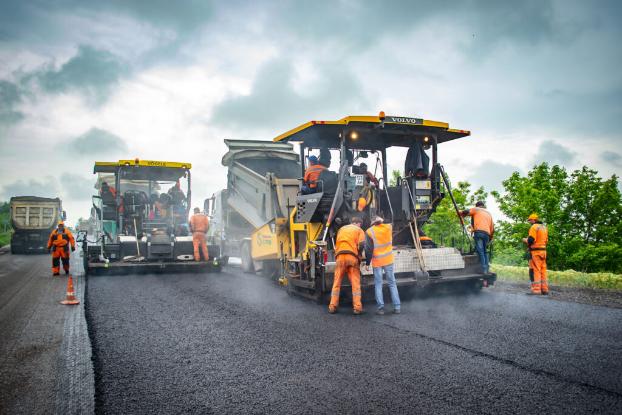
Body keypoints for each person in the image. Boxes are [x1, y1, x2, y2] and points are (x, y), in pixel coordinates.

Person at [329, 216, 366, 315]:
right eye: (360, 224)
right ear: (358, 223)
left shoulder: (341, 229)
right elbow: (362, 244)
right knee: (355, 284)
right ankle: (357, 308)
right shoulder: (359, 230)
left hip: (340, 257)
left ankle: (332, 306)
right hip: (352, 257)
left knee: (336, 283)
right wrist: (359, 254)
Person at [365, 216, 401, 315]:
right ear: (381, 221)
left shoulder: (369, 231)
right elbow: (390, 220)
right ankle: (397, 307)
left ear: (372, 222)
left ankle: (381, 309)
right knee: (392, 283)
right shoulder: (389, 227)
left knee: (378, 284)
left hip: (377, 262)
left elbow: (368, 249)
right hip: (388, 260)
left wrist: (367, 263)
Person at [460, 201, 494, 274]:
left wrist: (460, 212)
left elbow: (466, 212)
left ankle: (483, 269)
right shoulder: (489, 213)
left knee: (480, 251)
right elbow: (492, 228)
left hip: (479, 232)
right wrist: (490, 238)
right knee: (485, 251)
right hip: (487, 234)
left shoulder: (476, 209)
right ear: (483, 206)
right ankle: (486, 268)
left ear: (477, 206)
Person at [522, 213, 549, 295]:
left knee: (535, 270)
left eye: (530, 220)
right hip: (543, 252)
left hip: (536, 252)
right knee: (543, 270)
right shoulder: (544, 227)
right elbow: (546, 241)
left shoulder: (534, 227)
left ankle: (536, 290)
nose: (529, 222)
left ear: (534, 220)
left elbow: (531, 240)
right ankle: (544, 289)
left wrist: (524, 240)